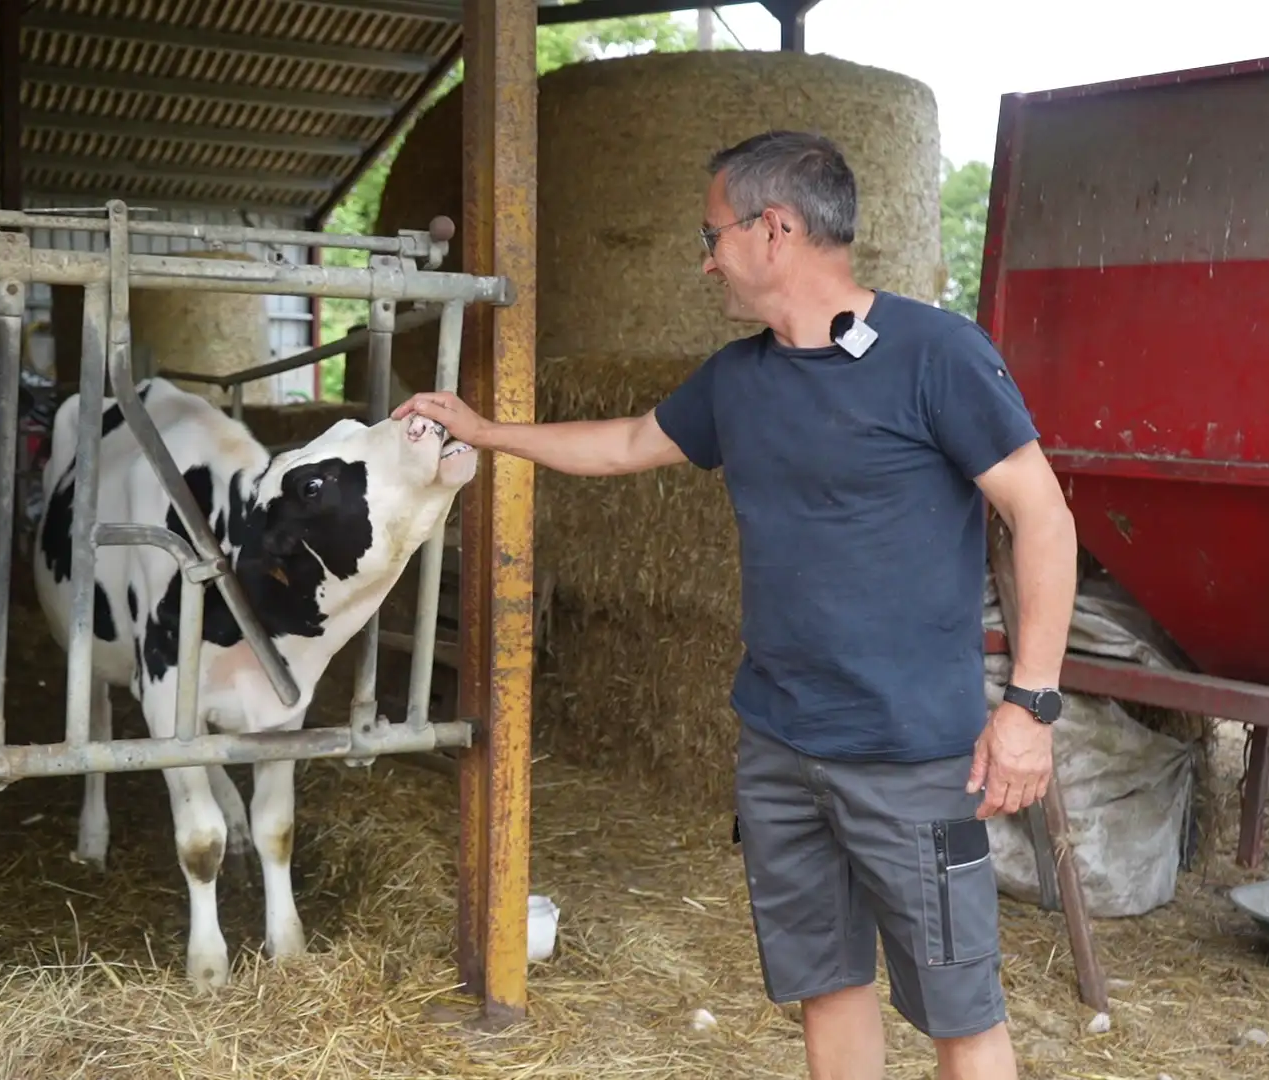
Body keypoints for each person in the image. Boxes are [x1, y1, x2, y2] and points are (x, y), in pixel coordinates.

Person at [392, 129, 1078, 1080]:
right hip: (782, 748)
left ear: (775, 230)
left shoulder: (937, 354)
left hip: (913, 753)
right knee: (825, 986)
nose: (705, 256)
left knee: (960, 1009)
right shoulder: (740, 379)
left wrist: (1030, 707)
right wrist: (486, 430)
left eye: (711, 234)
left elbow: (1042, 517)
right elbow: (630, 441)